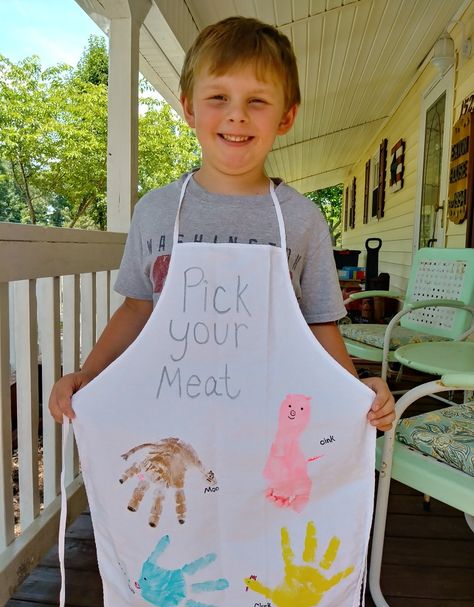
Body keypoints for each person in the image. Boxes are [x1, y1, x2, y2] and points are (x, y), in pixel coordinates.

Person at [49, 15, 394, 431]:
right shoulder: (154, 210)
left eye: (257, 101)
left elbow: (319, 322)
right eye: (218, 97)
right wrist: (90, 374)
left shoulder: (302, 219)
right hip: (168, 414)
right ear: (190, 108)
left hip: (267, 420)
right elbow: (137, 308)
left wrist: (357, 392)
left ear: (286, 116)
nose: (237, 116)